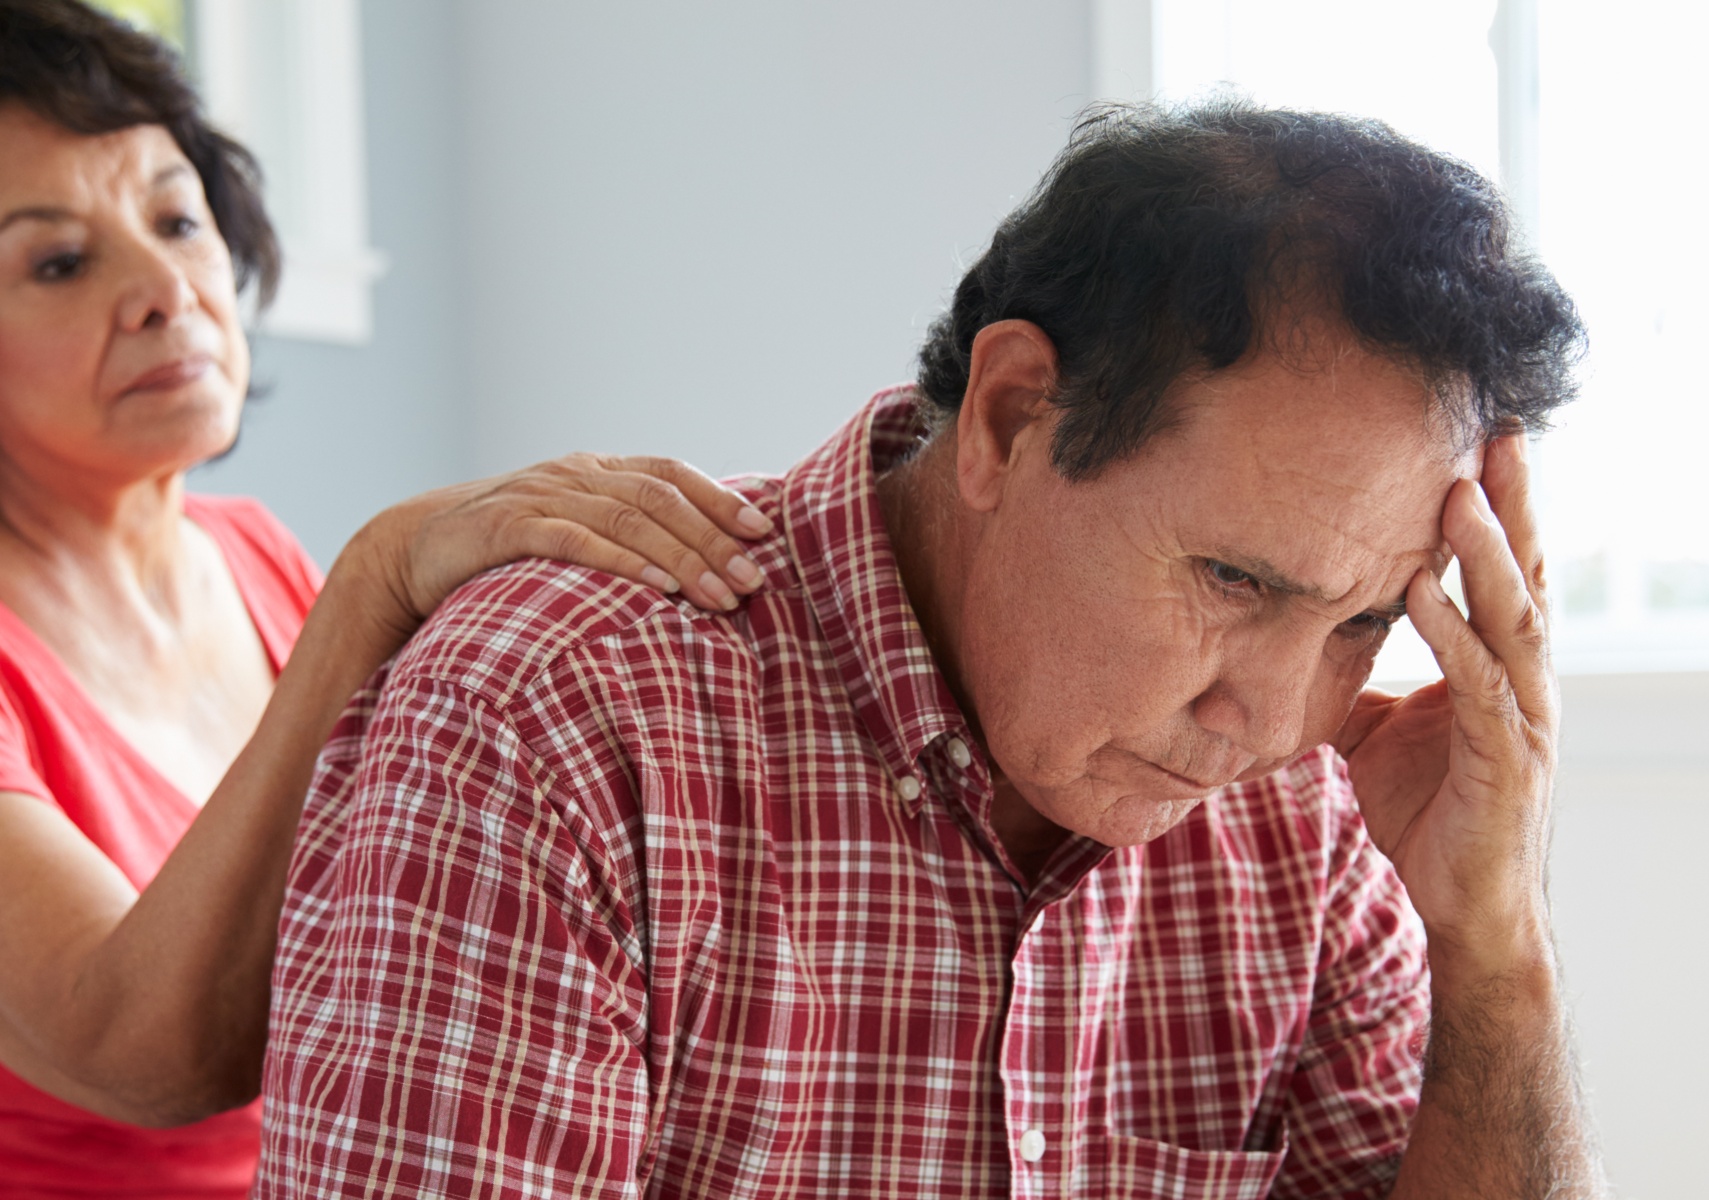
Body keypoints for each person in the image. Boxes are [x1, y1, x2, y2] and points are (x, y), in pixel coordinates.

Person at [254, 99, 1606, 1199]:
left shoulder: (1308, 808)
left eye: (1366, 620)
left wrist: (1494, 942)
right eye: (1236, 582)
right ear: (1012, 420)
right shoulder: (552, 722)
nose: (1269, 722)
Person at [0, 2, 765, 1195]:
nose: (165, 288)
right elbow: (145, 1053)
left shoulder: (256, 559)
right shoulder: (337, 588)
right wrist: (377, 576)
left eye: (175, 216)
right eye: (56, 260)